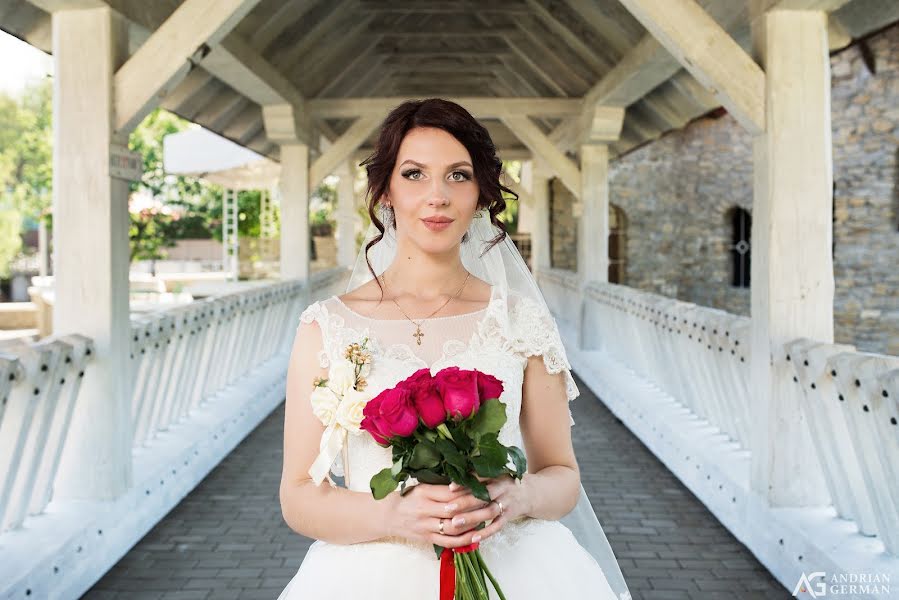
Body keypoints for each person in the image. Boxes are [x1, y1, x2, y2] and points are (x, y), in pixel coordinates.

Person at [277, 99, 631, 599]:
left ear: (483, 192)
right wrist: (392, 514)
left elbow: (563, 477)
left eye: (459, 175)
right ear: (385, 190)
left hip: (516, 568)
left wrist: (517, 495)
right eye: (415, 173)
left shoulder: (520, 321)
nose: (437, 196)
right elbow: (297, 497)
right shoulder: (327, 325)